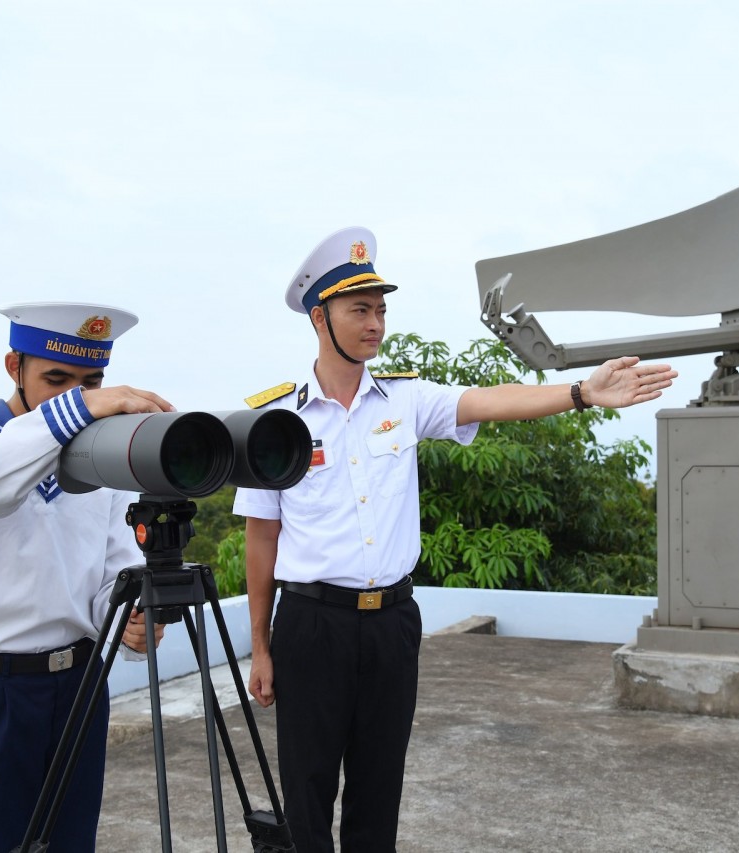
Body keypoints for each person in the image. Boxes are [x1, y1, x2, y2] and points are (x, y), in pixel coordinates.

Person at [233, 227, 678, 851]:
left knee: (379, 788)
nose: (376, 324)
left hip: (391, 623)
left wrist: (581, 393)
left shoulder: (407, 400)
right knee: (306, 792)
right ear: (318, 316)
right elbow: (261, 539)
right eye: (360, 310)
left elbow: (492, 401)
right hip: (311, 624)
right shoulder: (274, 421)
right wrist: (261, 646)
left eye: (381, 309)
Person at [0, 301, 172, 852]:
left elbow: (108, 579)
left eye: (91, 382)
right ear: (12, 366)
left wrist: (130, 625)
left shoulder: (100, 456)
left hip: (76, 687)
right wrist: (82, 408)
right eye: (57, 379)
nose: (77, 396)